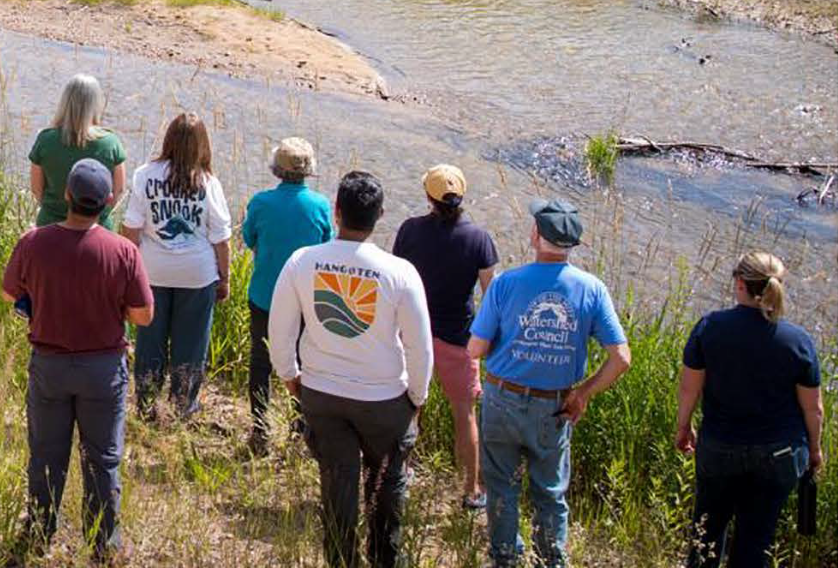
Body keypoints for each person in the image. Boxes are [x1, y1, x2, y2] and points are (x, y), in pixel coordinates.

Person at [269, 171, 433, 568]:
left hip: (322, 394)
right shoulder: (400, 272)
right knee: (386, 489)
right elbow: (419, 346)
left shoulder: (302, 262)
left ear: (336, 210)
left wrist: (291, 376)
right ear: (380, 215)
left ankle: (341, 560)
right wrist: (417, 397)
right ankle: (384, 560)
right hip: (383, 398)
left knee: (337, 486)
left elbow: (280, 329)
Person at [2, 158, 154, 560]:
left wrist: (36, 299)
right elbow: (143, 315)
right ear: (106, 201)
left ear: (66, 195)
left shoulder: (33, 242)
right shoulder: (123, 251)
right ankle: (104, 545)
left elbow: (7, 292)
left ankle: (38, 533)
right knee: (102, 459)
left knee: (46, 455)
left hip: (49, 365)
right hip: (103, 369)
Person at [468, 199, 632, 568]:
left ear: (536, 236)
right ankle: (550, 561)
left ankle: (505, 558)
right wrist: (583, 393)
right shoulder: (592, 289)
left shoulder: (506, 283)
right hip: (555, 406)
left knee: (503, 487)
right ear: (572, 244)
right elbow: (621, 358)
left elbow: (475, 349)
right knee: (550, 491)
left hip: (503, 399)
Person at [676, 252, 824, 568]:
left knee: (707, 534)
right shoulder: (798, 341)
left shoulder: (710, 328)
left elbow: (690, 388)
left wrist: (684, 426)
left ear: (740, 284)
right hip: (780, 453)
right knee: (755, 542)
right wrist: (814, 450)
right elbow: (814, 409)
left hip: (720, 446)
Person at [391, 164, 498, 509]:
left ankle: (402, 473)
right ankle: (471, 491)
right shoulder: (479, 238)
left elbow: (396, 280)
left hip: (414, 333)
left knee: (410, 406)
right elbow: (490, 296)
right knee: (464, 413)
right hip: (459, 338)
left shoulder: (409, 230)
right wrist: (487, 340)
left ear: (428, 197)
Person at [120, 112, 231, 419]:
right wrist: (225, 279)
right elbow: (220, 239)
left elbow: (131, 228)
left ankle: (146, 404)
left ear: (168, 139)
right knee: (191, 344)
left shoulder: (145, 174)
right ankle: (183, 407)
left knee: (150, 340)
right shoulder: (209, 183)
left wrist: (127, 272)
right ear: (202, 146)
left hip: (152, 272)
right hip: (197, 275)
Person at [240, 137, 335, 453]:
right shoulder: (320, 205)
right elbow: (326, 246)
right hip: (306, 300)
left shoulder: (261, 202)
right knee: (304, 361)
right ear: (309, 170)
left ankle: (260, 429)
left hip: (265, 294)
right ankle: (301, 428)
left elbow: (249, 237)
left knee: (261, 362)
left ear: (276, 169)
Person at [29, 75, 126, 229]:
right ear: (96, 104)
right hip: (98, 226)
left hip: (50, 225)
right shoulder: (110, 142)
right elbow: (118, 191)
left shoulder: (46, 140)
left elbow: (36, 190)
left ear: (65, 102)